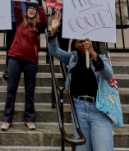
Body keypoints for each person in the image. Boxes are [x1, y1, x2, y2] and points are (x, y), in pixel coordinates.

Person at [48, 9, 115, 151]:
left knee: (103, 147)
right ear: (75, 45)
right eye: (80, 42)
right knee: (83, 148)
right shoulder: (72, 57)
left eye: (87, 42)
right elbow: (54, 51)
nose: (84, 45)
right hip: (79, 107)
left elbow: (108, 75)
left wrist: (93, 53)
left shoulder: (100, 58)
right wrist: (54, 31)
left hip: (99, 108)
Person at [1, 0, 48, 131]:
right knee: (11, 89)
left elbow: (44, 21)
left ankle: (29, 119)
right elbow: (16, 6)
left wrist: (40, 5)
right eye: (29, 8)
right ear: (26, 11)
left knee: (30, 91)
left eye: (34, 9)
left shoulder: (38, 25)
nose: (31, 10)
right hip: (15, 59)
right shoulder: (21, 20)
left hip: (31, 61)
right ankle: (7, 119)